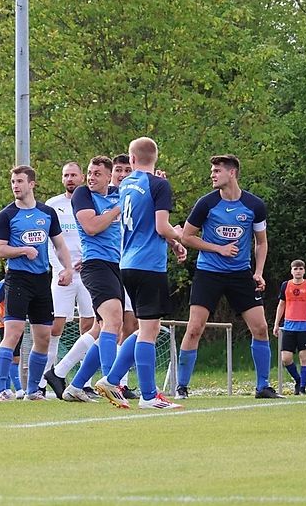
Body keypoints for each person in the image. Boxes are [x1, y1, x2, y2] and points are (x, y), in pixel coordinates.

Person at [175, 154, 281, 400]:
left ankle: (263, 386)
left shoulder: (254, 205)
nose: (212, 174)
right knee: (194, 329)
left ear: (232, 173)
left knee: (261, 327)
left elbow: (261, 242)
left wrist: (258, 272)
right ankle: (181, 387)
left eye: (217, 171)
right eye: (212, 170)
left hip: (240, 274)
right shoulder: (206, 203)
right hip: (208, 272)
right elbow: (187, 237)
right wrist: (218, 248)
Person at [94, 137, 186, 409]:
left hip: (127, 264)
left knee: (148, 327)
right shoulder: (159, 184)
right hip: (149, 264)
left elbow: (144, 215)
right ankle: (148, 396)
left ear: (132, 160)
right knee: (148, 332)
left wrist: (173, 240)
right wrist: (178, 235)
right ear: (155, 157)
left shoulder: (126, 186)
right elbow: (161, 226)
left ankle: (111, 380)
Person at [0, 165, 73, 401]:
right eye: (13, 182)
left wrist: (67, 268)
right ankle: (0, 390)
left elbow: (59, 245)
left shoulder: (47, 213)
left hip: (42, 280)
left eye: (19, 181)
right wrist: (22, 250)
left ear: (32, 184)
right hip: (17, 279)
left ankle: (33, 390)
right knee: (13, 332)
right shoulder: (6, 215)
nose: (15, 185)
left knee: (44, 337)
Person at [51, 155, 124, 402]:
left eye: (97, 173)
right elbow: (92, 227)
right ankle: (111, 382)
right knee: (113, 319)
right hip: (95, 266)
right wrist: (117, 209)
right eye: (90, 172)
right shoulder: (83, 194)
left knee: (104, 326)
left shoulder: (117, 192)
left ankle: (75, 385)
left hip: (116, 265)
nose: (91, 177)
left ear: (108, 176)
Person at [39, 161, 97, 399]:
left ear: (82, 177)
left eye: (74, 174)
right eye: (66, 175)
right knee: (56, 326)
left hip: (89, 273)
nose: (70, 179)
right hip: (63, 274)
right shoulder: (53, 206)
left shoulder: (91, 203)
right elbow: (48, 242)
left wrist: (89, 260)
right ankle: (43, 379)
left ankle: (85, 382)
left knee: (91, 325)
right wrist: (63, 268)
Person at [111, 153, 140, 399]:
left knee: (131, 324)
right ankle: (86, 380)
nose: (122, 175)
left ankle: (121, 381)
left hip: (132, 264)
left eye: (126, 170)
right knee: (107, 325)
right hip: (108, 267)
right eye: (118, 170)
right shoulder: (106, 197)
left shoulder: (138, 195)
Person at [273, 259, 306, 395]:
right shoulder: (285, 285)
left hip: (305, 326)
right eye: (295, 269)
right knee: (285, 358)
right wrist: (276, 324)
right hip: (289, 326)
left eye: (300, 268)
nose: (298, 271)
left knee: (304, 357)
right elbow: (281, 304)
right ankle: (298, 380)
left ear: (304, 271)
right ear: (291, 271)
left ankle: (302, 388)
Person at [0, 279, 24, 397]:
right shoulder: (5, 283)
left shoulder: (23, 282)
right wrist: (1, 319)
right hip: (7, 325)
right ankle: (16, 389)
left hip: (17, 324)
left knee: (15, 357)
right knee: (14, 358)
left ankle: (8, 389)